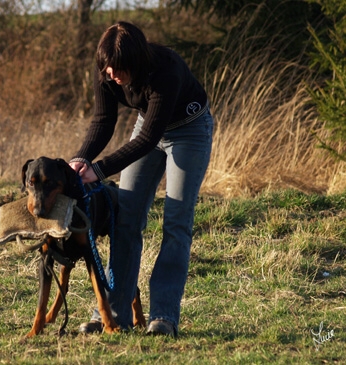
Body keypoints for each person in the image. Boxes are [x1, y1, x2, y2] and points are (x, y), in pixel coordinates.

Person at [69, 21, 213, 337]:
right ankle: (111, 316)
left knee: (176, 223)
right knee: (126, 218)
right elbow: (104, 120)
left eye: (118, 70)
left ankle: (163, 317)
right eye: (106, 70)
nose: (111, 76)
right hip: (148, 127)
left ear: (136, 62)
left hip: (189, 132)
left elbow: (149, 139)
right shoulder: (107, 70)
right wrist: (82, 159)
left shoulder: (166, 70)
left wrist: (102, 170)